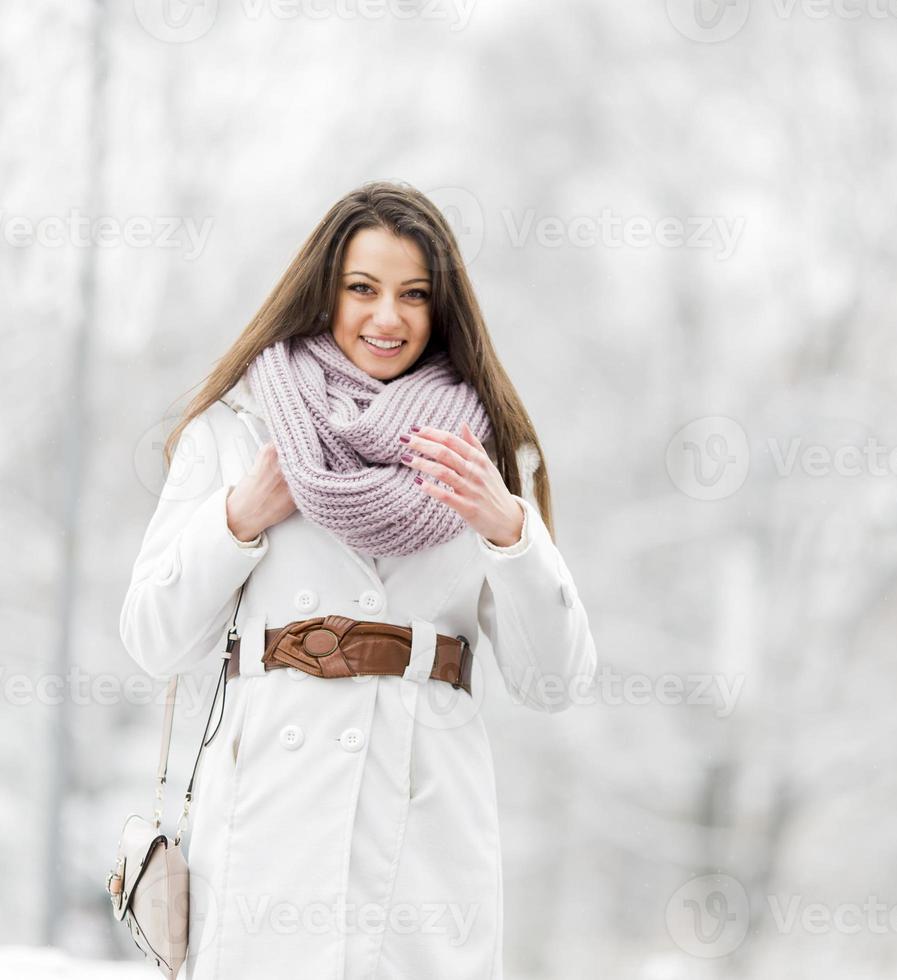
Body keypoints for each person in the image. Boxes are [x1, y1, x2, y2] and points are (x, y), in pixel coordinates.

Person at [118, 180, 598, 979]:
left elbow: (554, 681)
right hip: (267, 823)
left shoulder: (485, 450)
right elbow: (153, 639)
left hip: (422, 828)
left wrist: (508, 530)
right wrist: (238, 518)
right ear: (323, 292)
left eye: (414, 295)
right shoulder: (240, 429)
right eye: (363, 289)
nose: (388, 318)